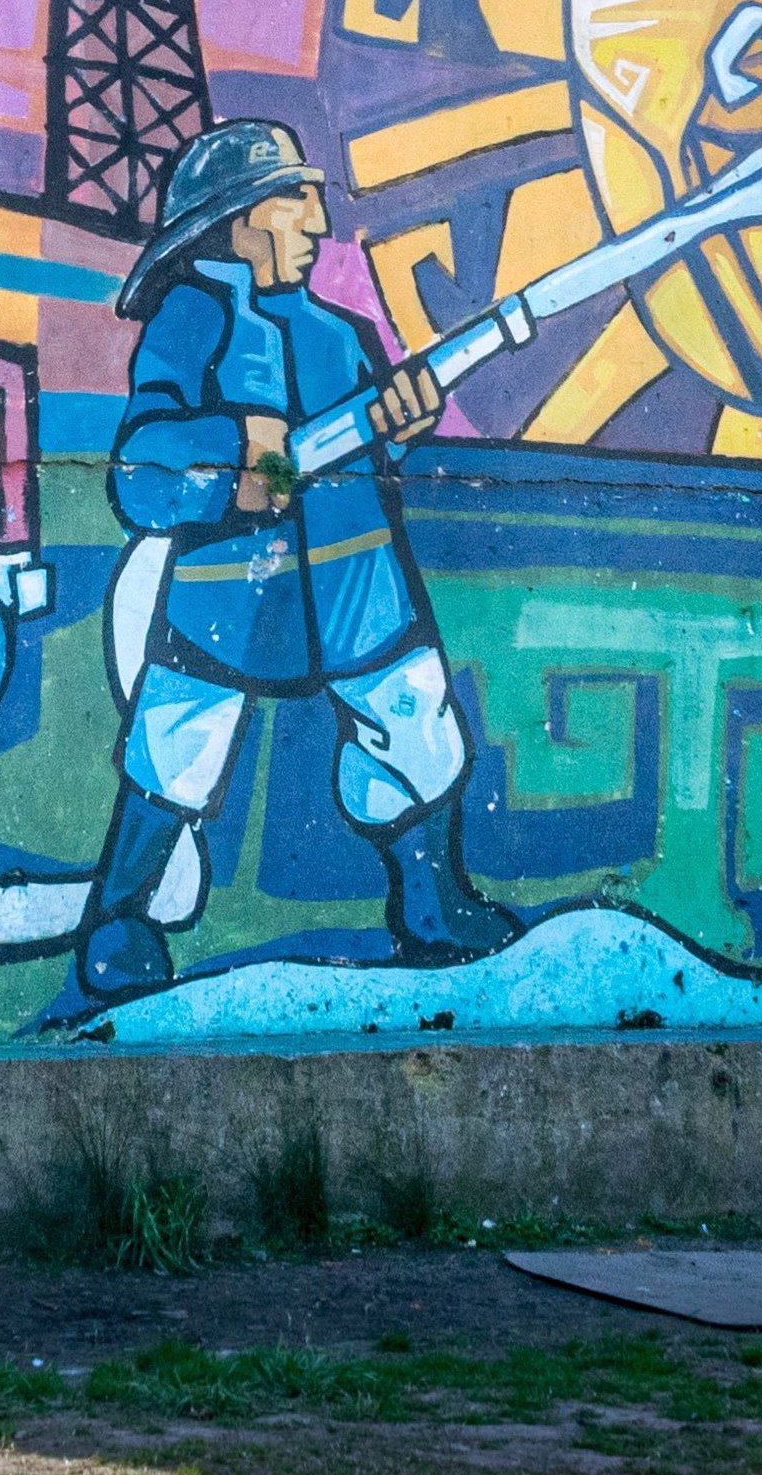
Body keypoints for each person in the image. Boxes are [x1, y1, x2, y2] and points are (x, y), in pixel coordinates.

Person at [75, 118, 515, 1002]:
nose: (318, 222)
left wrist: (403, 417)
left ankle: (432, 902)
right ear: (238, 220)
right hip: (224, 598)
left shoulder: (336, 334)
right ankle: (121, 920)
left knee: (415, 724)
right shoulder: (187, 323)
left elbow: (371, 448)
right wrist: (236, 450)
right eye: (295, 198)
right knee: (177, 745)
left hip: (361, 589)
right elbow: (139, 470)